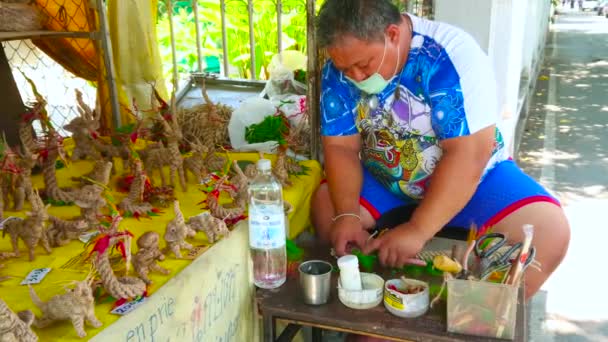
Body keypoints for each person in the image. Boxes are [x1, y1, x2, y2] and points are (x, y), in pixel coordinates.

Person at [312, 0, 570, 301]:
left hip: (476, 181)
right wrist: (346, 215)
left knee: (550, 232)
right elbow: (341, 148)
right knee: (326, 207)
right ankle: (373, 310)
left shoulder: (449, 57)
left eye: (364, 64)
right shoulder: (338, 70)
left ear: (393, 34)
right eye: (345, 68)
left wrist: (418, 229)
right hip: (388, 177)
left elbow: (469, 155)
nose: (354, 77)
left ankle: (470, 316)